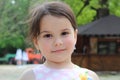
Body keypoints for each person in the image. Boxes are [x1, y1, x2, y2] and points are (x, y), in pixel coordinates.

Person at [19, 1, 99, 80]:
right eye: (48, 35)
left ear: (75, 36)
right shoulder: (30, 77)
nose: (58, 42)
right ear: (36, 42)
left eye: (64, 33)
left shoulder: (89, 77)